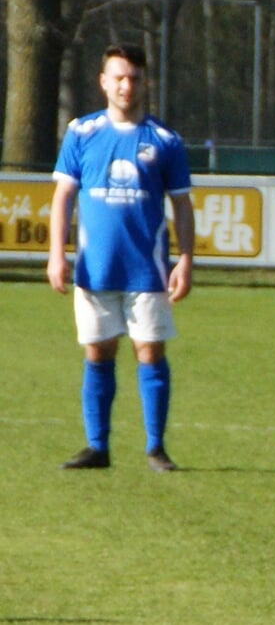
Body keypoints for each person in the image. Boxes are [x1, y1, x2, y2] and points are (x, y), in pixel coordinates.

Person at [45, 44, 195, 473]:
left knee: (149, 352)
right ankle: (97, 447)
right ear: (104, 82)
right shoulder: (82, 133)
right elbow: (63, 198)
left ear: (145, 83)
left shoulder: (165, 141)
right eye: (120, 77)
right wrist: (57, 254)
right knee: (98, 352)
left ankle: (155, 448)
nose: (127, 85)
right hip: (94, 269)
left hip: (147, 271)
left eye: (135, 78)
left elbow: (182, 205)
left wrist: (185, 259)